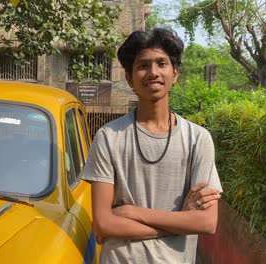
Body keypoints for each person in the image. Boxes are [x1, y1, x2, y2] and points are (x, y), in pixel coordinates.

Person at [82, 28, 223, 263]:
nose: (153, 72)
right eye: (143, 65)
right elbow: (104, 223)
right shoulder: (108, 137)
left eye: (162, 63)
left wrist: (131, 212)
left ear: (175, 73)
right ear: (129, 78)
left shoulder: (198, 139)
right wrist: (181, 221)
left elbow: (206, 222)